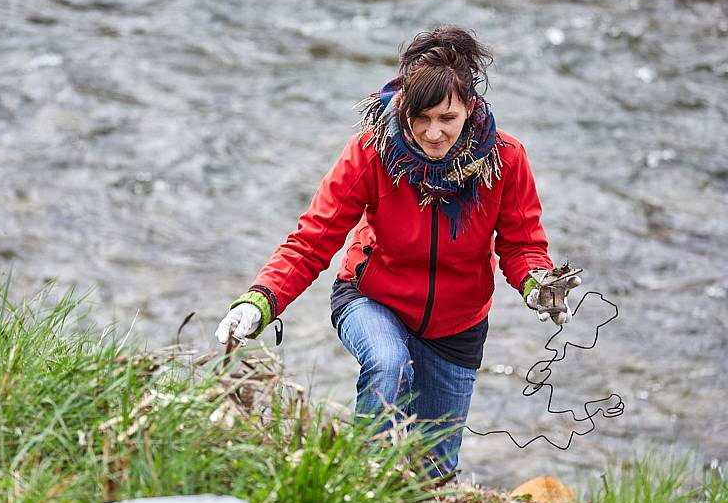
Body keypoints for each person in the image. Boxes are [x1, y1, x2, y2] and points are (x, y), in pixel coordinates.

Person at [215, 25, 580, 478]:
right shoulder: (371, 152)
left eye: (447, 118)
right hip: (371, 299)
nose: (433, 133)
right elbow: (312, 240)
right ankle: (358, 482)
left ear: (470, 106)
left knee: (435, 473)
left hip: (457, 327)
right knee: (388, 364)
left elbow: (522, 244)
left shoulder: (505, 159)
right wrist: (261, 300)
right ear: (403, 107)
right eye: (420, 118)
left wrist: (536, 284)